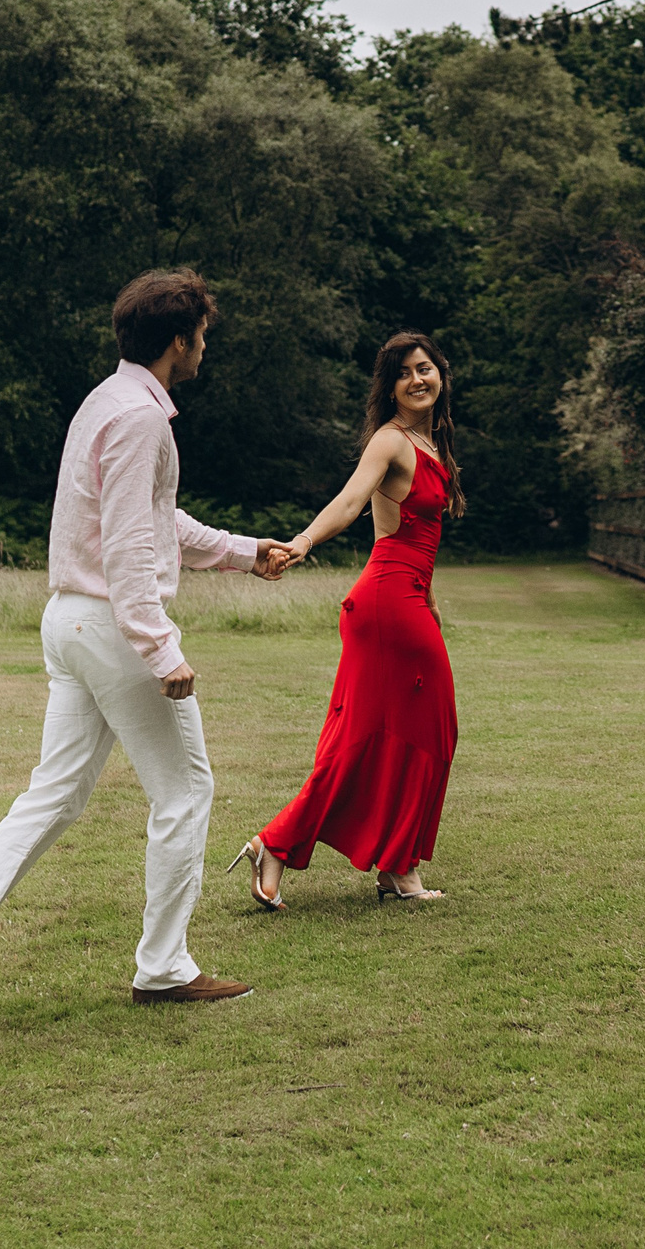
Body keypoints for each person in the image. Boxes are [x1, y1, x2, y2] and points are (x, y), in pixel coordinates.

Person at [0, 269, 294, 1026]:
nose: (207, 345)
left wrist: (244, 552)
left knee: (53, 796)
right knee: (185, 792)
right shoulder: (142, 419)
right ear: (179, 339)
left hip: (70, 620)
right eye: (203, 333)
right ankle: (164, 967)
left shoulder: (107, 403)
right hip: (111, 627)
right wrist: (159, 648)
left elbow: (151, 519)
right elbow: (133, 545)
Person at [228, 331, 462, 908]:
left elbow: (405, 532)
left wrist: (428, 595)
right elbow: (352, 500)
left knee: (417, 734)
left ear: (441, 375)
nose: (418, 380)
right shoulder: (391, 441)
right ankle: (281, 844)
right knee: (388, 737)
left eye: (426, 368)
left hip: (407, 599)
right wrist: (304, 540)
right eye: (405, 372)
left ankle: (395, 868)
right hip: (387, 604)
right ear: (391, 387)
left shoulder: (433, 447)